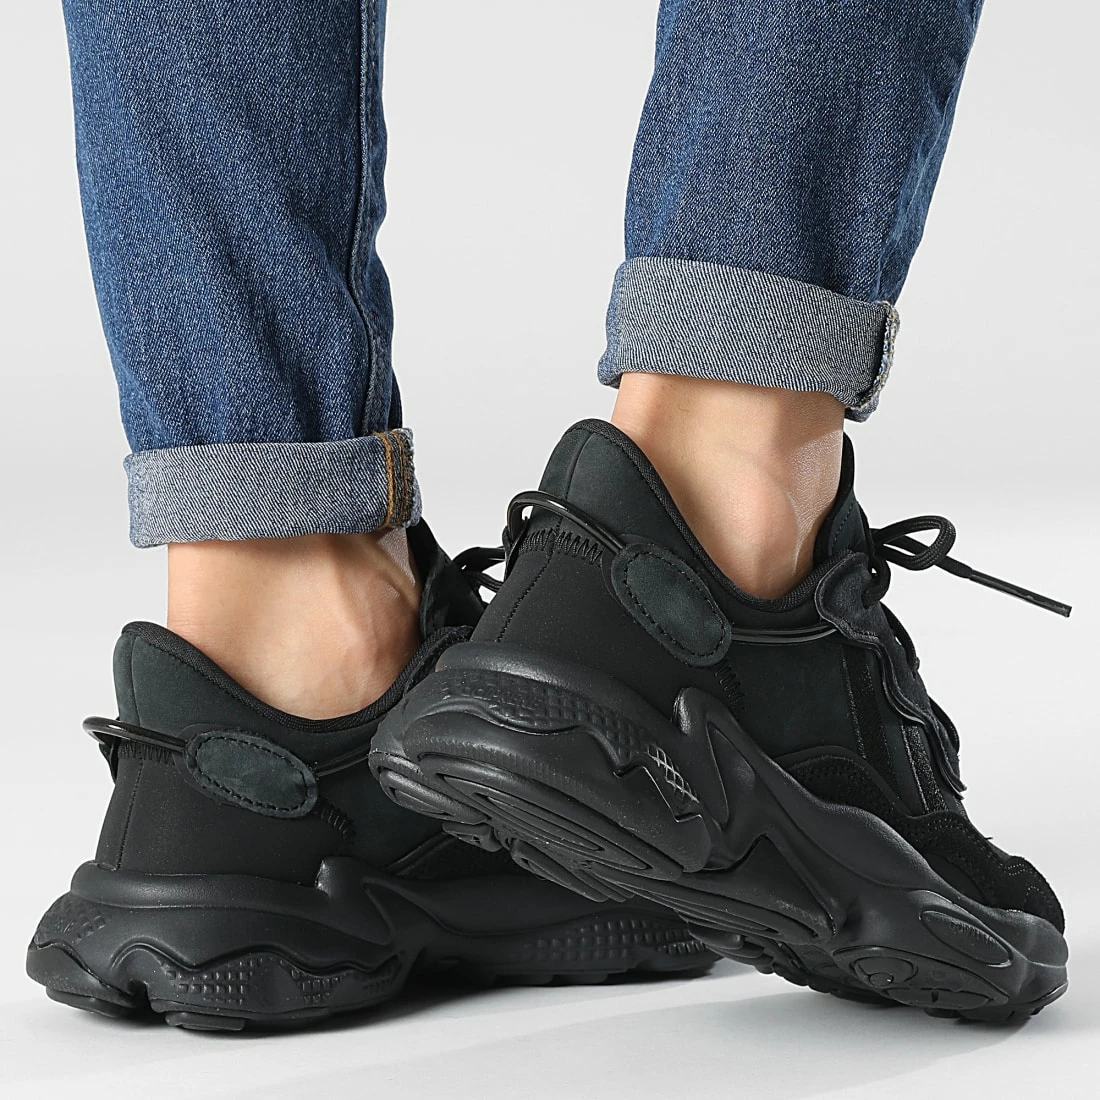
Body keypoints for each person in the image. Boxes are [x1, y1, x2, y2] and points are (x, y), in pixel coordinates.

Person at [29, 0, 1069, 1030]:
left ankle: (258, 665)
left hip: (200, 763)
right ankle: (724, 509)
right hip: (701, 644)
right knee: (723, 468)